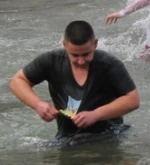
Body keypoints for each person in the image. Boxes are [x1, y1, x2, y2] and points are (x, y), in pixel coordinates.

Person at [9, 20, 140, 137]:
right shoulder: (51, 61)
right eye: (75, 55)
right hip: (67, 138)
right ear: (64, 45)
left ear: (95, 44)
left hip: (108, 136)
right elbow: (18, 81)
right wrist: (38, 104)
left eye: (86, 54)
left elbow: (132, 100)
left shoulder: (109, 65)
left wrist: (96, 114)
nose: (81, 61)